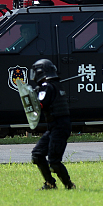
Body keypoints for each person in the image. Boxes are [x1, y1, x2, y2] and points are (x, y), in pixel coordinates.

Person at [30, 58, 76, 189]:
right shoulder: (55, 85)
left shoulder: (47, 87)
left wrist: (33, 95)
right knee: (37, 154)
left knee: (54, 162)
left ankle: (69, 185)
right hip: (54, 127)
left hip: (59, 127)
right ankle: (50, 184)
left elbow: (40, 105)